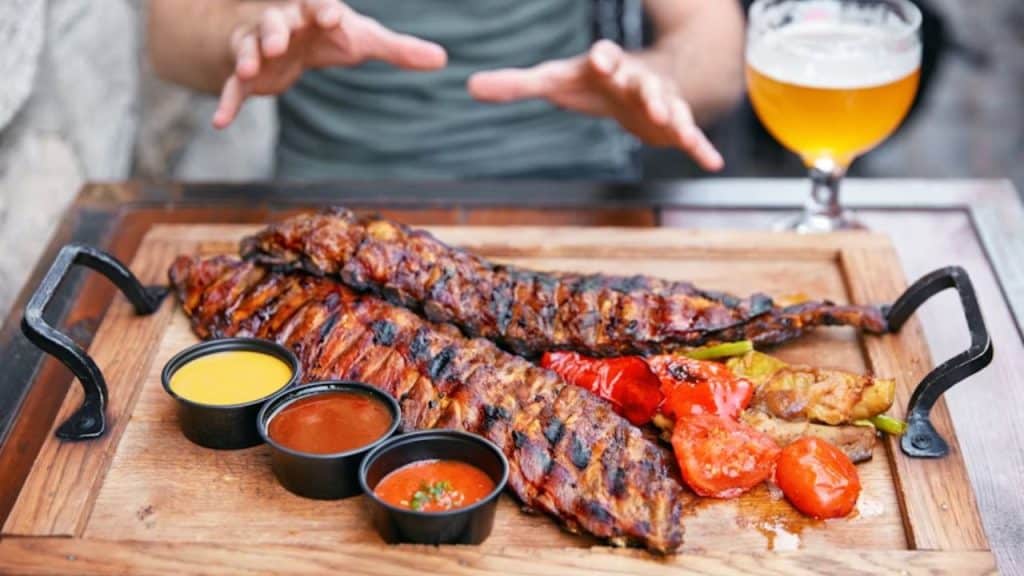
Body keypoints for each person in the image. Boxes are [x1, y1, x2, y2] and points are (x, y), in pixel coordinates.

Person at [148, 0, 744, 179]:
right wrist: (247, 35)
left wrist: (661, 77)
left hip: (570, 190)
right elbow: (172, 36)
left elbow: (714, 50)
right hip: (332, 197)